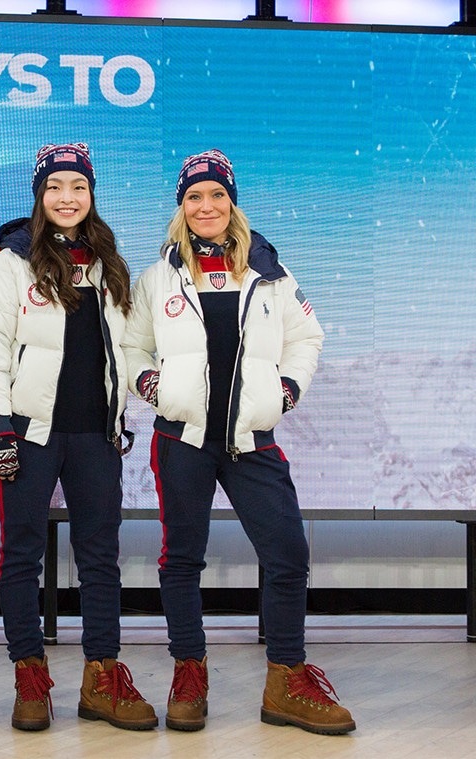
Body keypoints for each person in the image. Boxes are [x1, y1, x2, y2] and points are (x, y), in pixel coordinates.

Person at [124, 148, 355, 735]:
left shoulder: (270, 274)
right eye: (195, 196)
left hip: (252, 438)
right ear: (182, 206)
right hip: (183, 439)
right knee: (182, 560)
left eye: (217, 196)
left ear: (232, 203)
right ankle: (189, 672)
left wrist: (287, 391)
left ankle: (286, 680)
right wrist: (153, 384)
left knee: (288, 554)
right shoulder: (158, 277)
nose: (207, 206)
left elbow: (309, 337)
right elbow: (131, 347)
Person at [0, 143, 157, 732]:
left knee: (101, 557)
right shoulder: (12, 261)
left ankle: (102, 676)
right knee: (21, 556)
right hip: (29, 435)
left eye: (77, 187)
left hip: (96, 435)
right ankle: (30, 677)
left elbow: (124, 348)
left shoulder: (109, 262)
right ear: (39, 195)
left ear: (91, 195)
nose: (66, 198)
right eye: (55, 187)